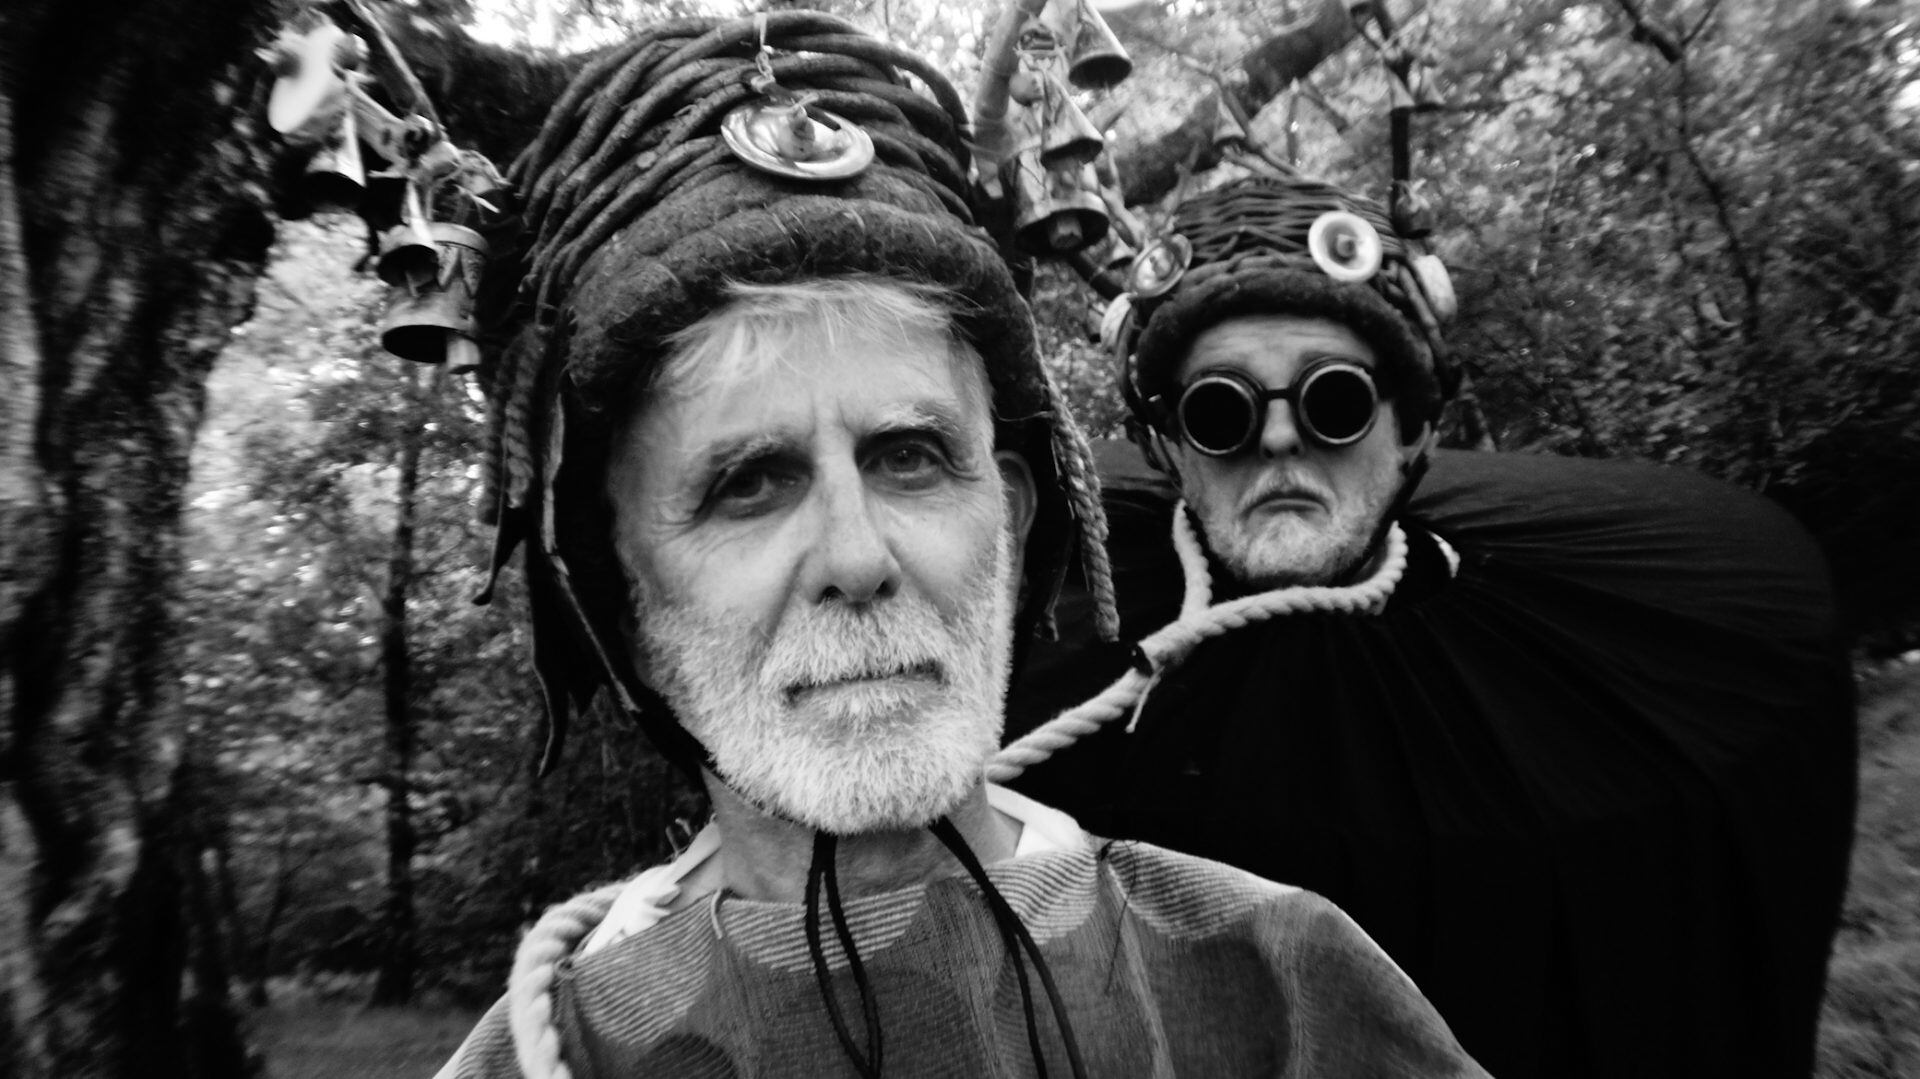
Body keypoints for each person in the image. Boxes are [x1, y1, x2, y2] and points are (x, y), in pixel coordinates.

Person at [434, 14, 1491, 1079]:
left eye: (910, 458)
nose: (858, 557)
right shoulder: (547, 1052)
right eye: (748, 485)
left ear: (1014, 518)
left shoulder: (1280, 979)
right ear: (615, 592)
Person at [1001, 169, 1858, 1079]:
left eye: (1334, 401)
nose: (1279, 438)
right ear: (1169, 445)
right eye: (1221, 409)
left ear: (1414, 429)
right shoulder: (1030, 634)